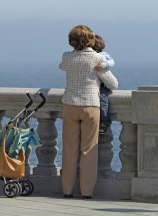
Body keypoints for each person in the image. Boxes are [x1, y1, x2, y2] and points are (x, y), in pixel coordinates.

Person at [59, 25, 118, 199]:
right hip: (91, 105)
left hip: (69, 104)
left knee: (69, 150)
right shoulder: (97, 58)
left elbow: (62, 66)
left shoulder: (67, 56)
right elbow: (113, 84)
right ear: (90, 40)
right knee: (88, 150)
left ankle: (67, 190)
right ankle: (86, 192)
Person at [93, 35, 115, 134]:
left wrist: (103, 65)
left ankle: (105, 122)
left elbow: (112, 61)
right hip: (93, 83)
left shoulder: (103, 54)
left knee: (103, 100)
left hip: (102, 84)